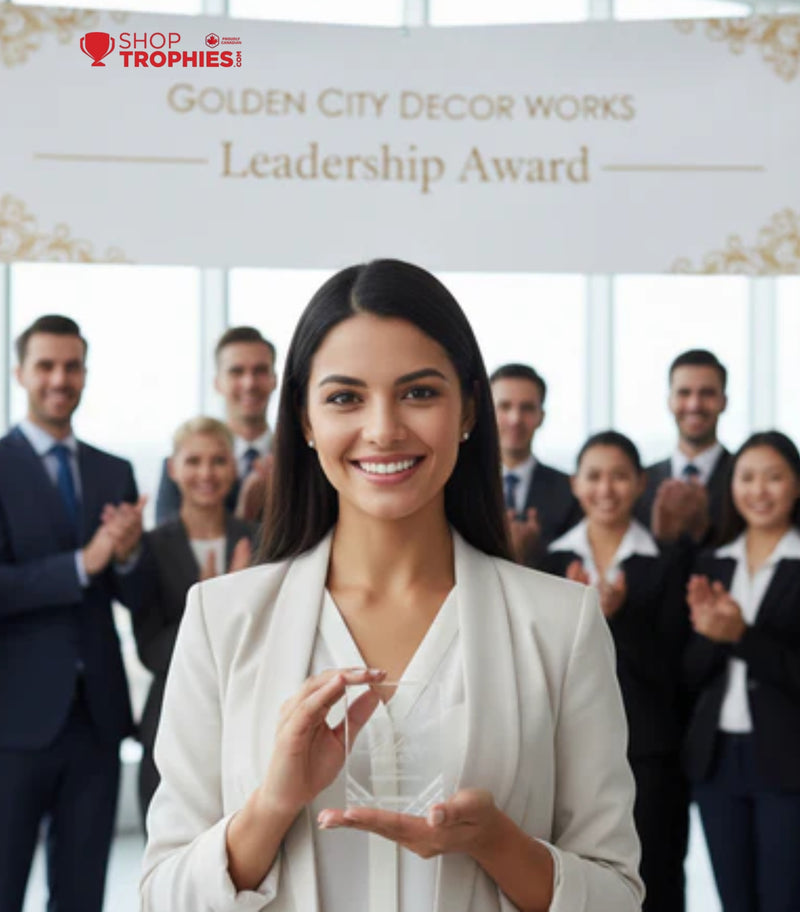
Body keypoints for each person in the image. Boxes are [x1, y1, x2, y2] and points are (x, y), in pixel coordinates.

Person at [141, 260, 643, 912]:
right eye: (345, 397)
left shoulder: (560, 624)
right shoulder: (221, 618)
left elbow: (616, 893)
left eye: (418, 393)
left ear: (467, 409)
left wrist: (499, 844)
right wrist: (271, 806)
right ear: (303, 420)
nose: (383, 428)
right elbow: (160, 895)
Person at [0, 314, 146, 912]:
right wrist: (83, 563)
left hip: (97, 720)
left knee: (83, 893)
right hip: (14, 722)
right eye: (47, 365)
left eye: (72, 366)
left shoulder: (114, 470)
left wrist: (131, 557)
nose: (61, 378)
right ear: (21, 373)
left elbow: (134, 597)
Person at [543, 431, 691, 912]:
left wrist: (617, 619)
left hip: (649, 752)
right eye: (594, 476)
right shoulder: (547, 562)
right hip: (566, 747)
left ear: (641, 483)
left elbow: (677, 669)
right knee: (576, 877)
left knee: (658, 874)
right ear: (575, 484)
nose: (606, 489)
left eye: (620, 476)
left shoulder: (667, 562)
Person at [684, 431, 800, 912]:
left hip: (789, 761)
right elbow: (688, 675)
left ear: (796, 485)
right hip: (717, 761)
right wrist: (711, 637)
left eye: (774, 477)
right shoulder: (713, 562)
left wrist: (741, 636)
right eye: (748, 477)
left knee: (783, 900)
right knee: (734, 901)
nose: (759, 490)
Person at [134, 417, 255, 827]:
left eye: (218, 461)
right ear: (173, 469)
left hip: (248, 719)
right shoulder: (149, 547)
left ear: (234, 468)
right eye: (194, 461)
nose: (206, 473)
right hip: (172, 720)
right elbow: (152, 650)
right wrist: (212, 606)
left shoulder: (261, 541)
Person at [154, 326, 277, 524]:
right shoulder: (183, 466)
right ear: (217, 383)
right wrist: (245, 511)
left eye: (260, 371)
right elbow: (169, 548)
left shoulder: (303, 460)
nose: (249, 383)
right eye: (236, 371)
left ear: (275, 380)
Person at [636, 349, 731, 546]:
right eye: (684, 393)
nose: (694, 404)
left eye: (707, 393)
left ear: (723, 402)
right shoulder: (641, 483)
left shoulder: (745, 480)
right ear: (669, 401)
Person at [490, 363, 581, 566]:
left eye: (527, 408)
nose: (515, 419)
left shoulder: (569, 491)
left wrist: (530, 553)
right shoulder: (460, 484)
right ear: (486, 412)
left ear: (541, 416)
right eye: (504, 406)